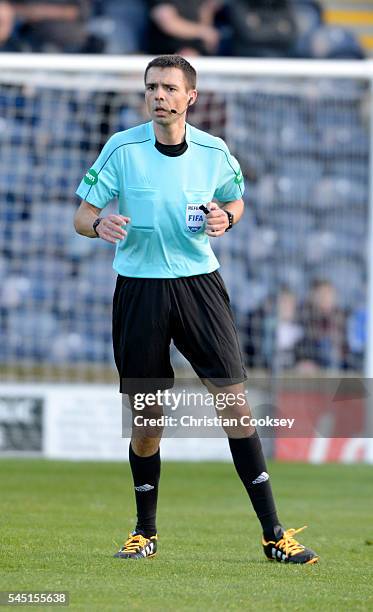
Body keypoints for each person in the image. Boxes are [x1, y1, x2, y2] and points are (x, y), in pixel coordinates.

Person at [74, 55, 318, 564]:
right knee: (147, 422)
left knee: (234, 404)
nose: (158, 95)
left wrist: (226, 217)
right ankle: (145, 533)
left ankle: (274, 535)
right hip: (139, 290)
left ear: (191, 97)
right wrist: (99, 227)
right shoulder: (122, 147)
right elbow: (82, 215)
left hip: (199, 287)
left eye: (168, 87)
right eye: (151, 88)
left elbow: (236, 202)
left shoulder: (214, 151)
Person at [146, 0, 222, 56]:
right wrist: (202, 31)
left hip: (197, 51)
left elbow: (206, 25)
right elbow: (166, 22)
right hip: (167, 52)